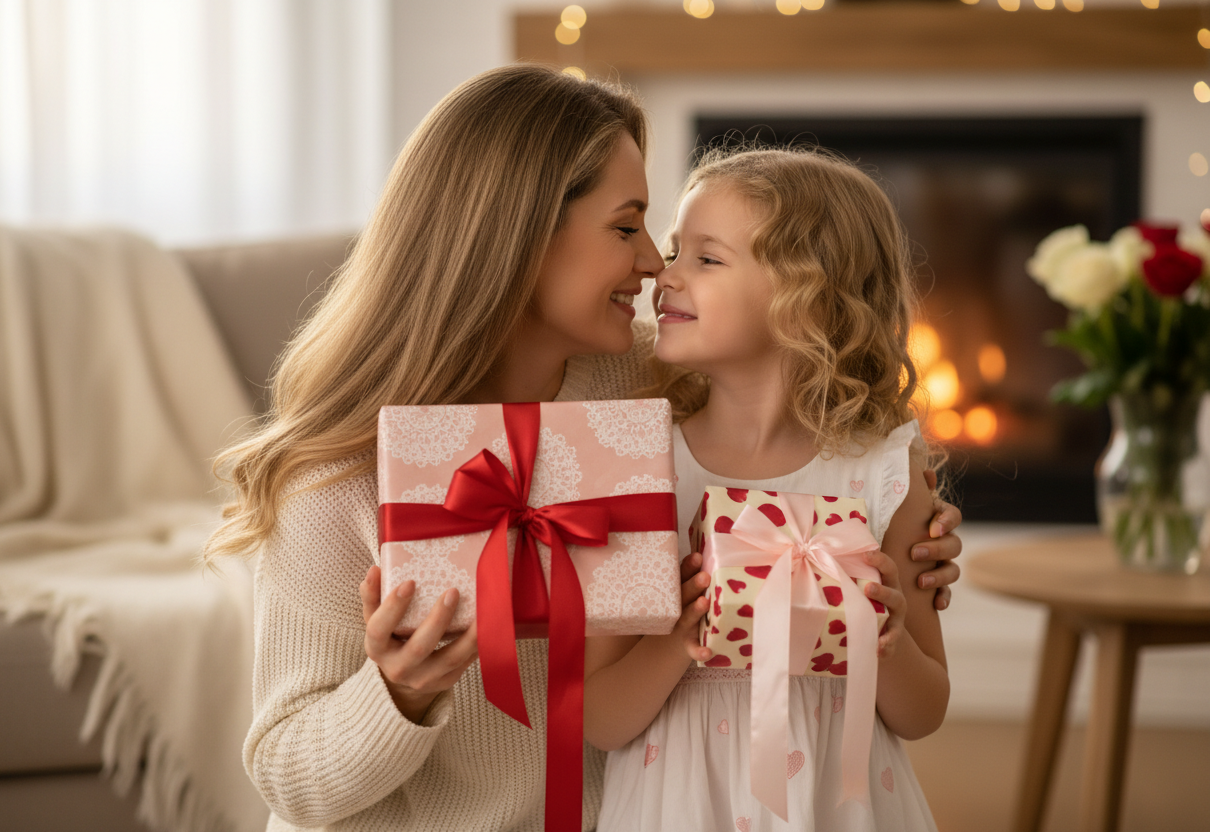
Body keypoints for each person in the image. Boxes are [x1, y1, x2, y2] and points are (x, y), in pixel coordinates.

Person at [206, 66, 962, 832]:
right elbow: (288, 780)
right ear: (524, 236)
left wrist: (898, 526)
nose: (653, 266)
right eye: (628, 226)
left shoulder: (652, 377)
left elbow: (801, 410)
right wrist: (398, 690)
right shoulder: (340, 475)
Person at [588, 147, 949, 832]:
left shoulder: (884, 475)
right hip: (679, 809)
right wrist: (678, 638)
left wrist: (884, 638)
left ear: (806, 298)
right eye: (674, 250)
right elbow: (602, 718)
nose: (665, 274)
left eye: (707, 258)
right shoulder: (636, 465)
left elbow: (925, 712)